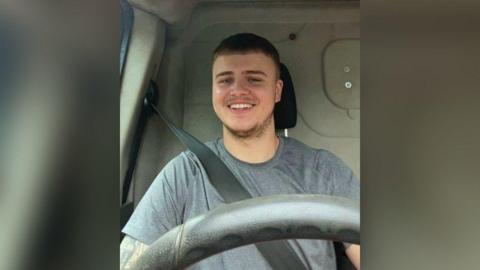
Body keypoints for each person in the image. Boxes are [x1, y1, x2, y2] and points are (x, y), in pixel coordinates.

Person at [120, 33, 360, 270]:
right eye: (225, 80)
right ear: (213, 89)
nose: (237, 91)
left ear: (277, 91)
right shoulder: (183, 175)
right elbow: (132, 263)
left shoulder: (324, 170)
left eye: (254, 79)